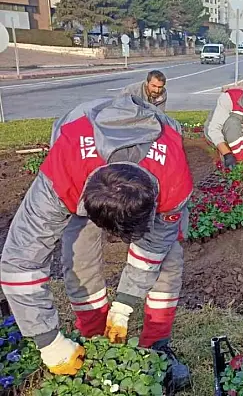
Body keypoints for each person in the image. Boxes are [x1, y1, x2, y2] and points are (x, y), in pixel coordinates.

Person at [0, 95, 193, 388]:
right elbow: (20, 261)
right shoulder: (64, 170)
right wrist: (48, 341)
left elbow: (154, 247)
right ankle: (92, 333)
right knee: (78, 250)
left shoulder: (174, 180)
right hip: (81, 155)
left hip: (156, 170)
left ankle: (157, 343)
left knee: (169, 257)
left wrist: (124, 306)